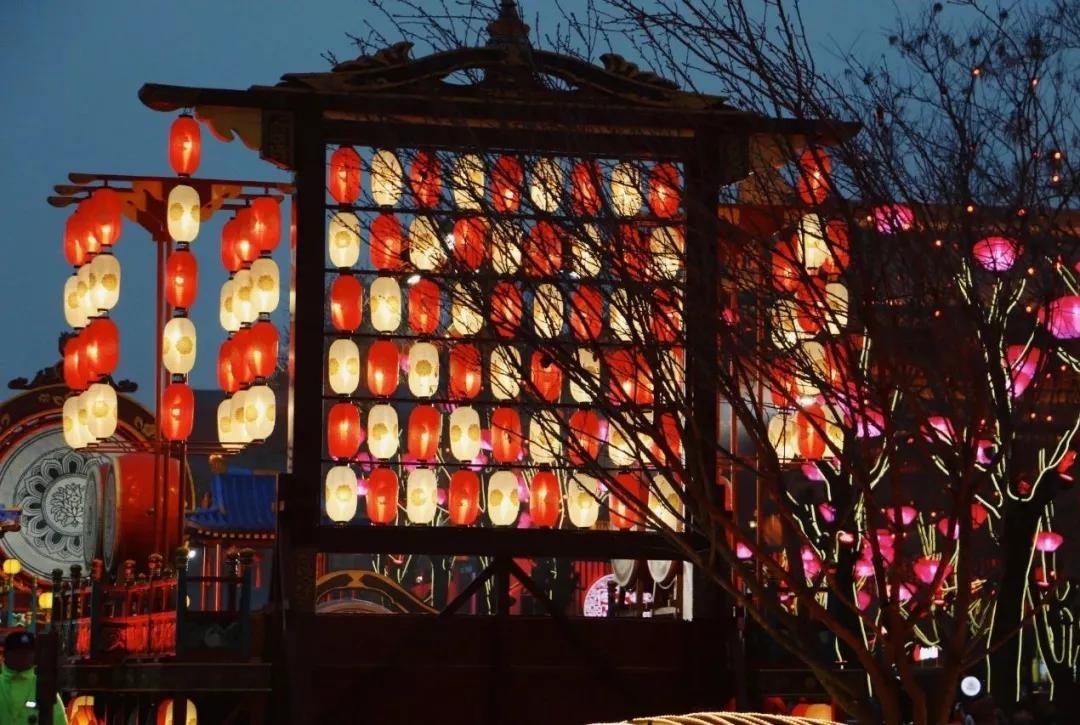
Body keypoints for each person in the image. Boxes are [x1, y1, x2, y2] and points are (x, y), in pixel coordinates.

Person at [0, 631, 67, 724]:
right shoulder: (44, 687)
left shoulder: (44, 687)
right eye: (17, 652)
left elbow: (58, 721)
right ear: (6, 654)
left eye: (27, 652)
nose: (23, 657)